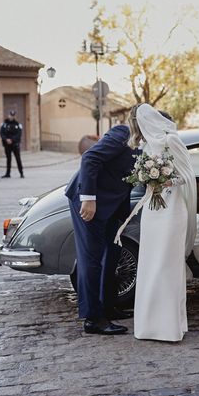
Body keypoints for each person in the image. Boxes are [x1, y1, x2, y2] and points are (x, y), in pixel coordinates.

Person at [119, 103, 197, 342]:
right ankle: (149, 326)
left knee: (167, 266)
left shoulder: (171, 140)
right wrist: (147, 178)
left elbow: (187, 176)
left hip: (172, 211)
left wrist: (165, 180)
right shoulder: (146, 146)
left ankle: (170, 327)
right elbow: (142, 178)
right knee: (150, 265)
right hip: (152, 212)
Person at [64, 123, 136, 335]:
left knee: (112, 254)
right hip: (89, 201)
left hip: (114, 204)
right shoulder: (123, 133)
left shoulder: (150, 144)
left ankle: (108, 306)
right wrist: (88, 199)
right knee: (91, 259)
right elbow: (90, 158)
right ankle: (93, 318)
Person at [0, 110, 24, 178]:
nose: (11, 117)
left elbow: (19, 134)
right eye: (10, 115)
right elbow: (1, 133)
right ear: (8, 115)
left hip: (15, 144)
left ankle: (21, 173)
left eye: (13, 116)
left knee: (18, 159)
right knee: (8, 159)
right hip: (7, 144)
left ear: (14, 116)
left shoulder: (17, 124)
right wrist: (6, 139)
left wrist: (12, 140)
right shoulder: (4, 124)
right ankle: (8, 173)